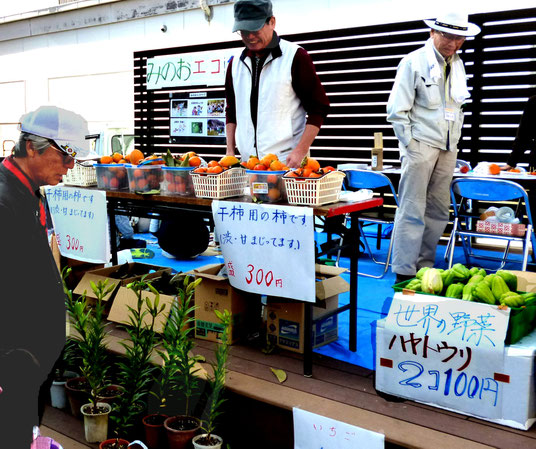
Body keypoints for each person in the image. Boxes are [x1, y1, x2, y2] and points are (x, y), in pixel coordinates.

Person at [0, 105, 90, 448]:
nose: (71, 165)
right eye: (65, 154)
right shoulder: (4, 201)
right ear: (33, 147)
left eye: (74, 156)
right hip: (11, 362)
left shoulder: (28, 189)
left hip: (29, 361)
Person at [386, 12, 480, 283]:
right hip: (421, 144)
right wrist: (410, 145)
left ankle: (425, 266)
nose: (452, 43)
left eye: (459, 37)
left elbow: (456, 107)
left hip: (448, 146)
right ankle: (404, 271)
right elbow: (396, 110)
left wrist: (456, 143)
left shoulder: (458, 65)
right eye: (447, 36)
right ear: (433, 33)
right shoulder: (413, 62)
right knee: (412, 208)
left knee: (438, 210)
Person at [225, 0, 330, 168]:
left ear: (272, 22)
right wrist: (230, 150)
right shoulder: (235, 64)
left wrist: (300, 151)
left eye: (254, 28)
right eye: (243, 31)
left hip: (287, 163)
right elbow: (232, 111)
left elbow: (319, 108)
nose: (249, 36)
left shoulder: (295, 57)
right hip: (248, 165)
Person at [503, 95, 536, 171]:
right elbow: (524, 134)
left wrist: (512, 162)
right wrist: (511, 162)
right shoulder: (533, 101)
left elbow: (524, 135)